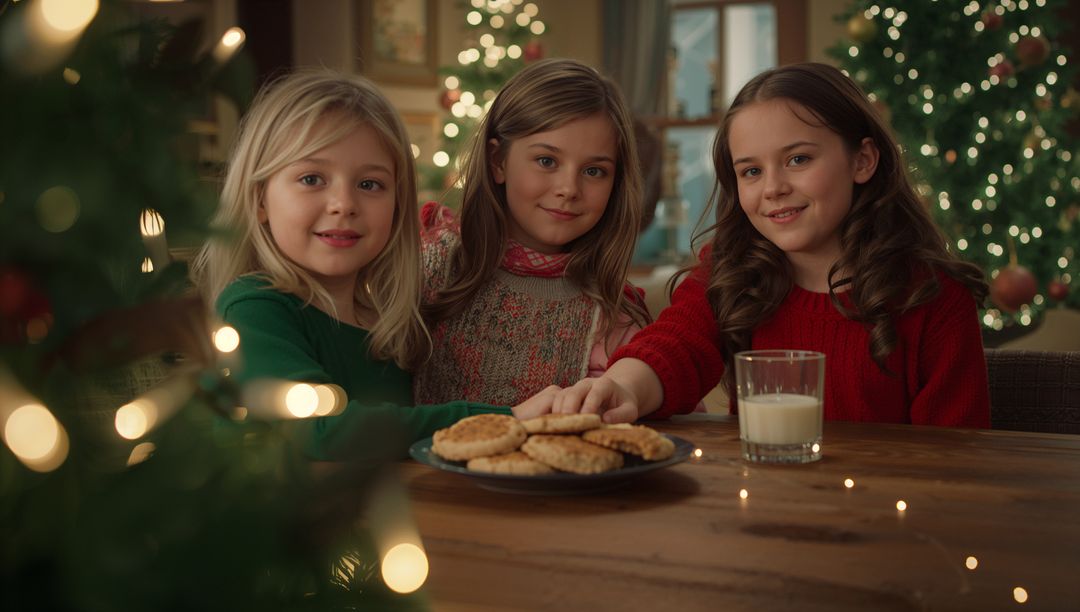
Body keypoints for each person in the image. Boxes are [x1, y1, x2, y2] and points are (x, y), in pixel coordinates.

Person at [532, 62, 990, 427]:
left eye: (798, 159)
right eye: (751, 171)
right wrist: (624, 388)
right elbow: (676, 343)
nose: (772, 188)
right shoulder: (732, 272)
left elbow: (954, 465)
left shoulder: (935, 299)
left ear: (863, 160)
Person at [190, 69, 515, 460]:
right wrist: (497, 419)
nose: (343, 203)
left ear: (397, 209)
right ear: (260, 200)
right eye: (312, 178)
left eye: (369, 184)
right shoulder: (252, 307)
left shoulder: (387, 325)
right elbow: (317, 431)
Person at [415, 58, 651, 407]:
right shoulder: (428, 266)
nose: (569, 188)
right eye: (547, 161)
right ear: (498, 162)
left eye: (594, 171)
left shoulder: (613, 316)